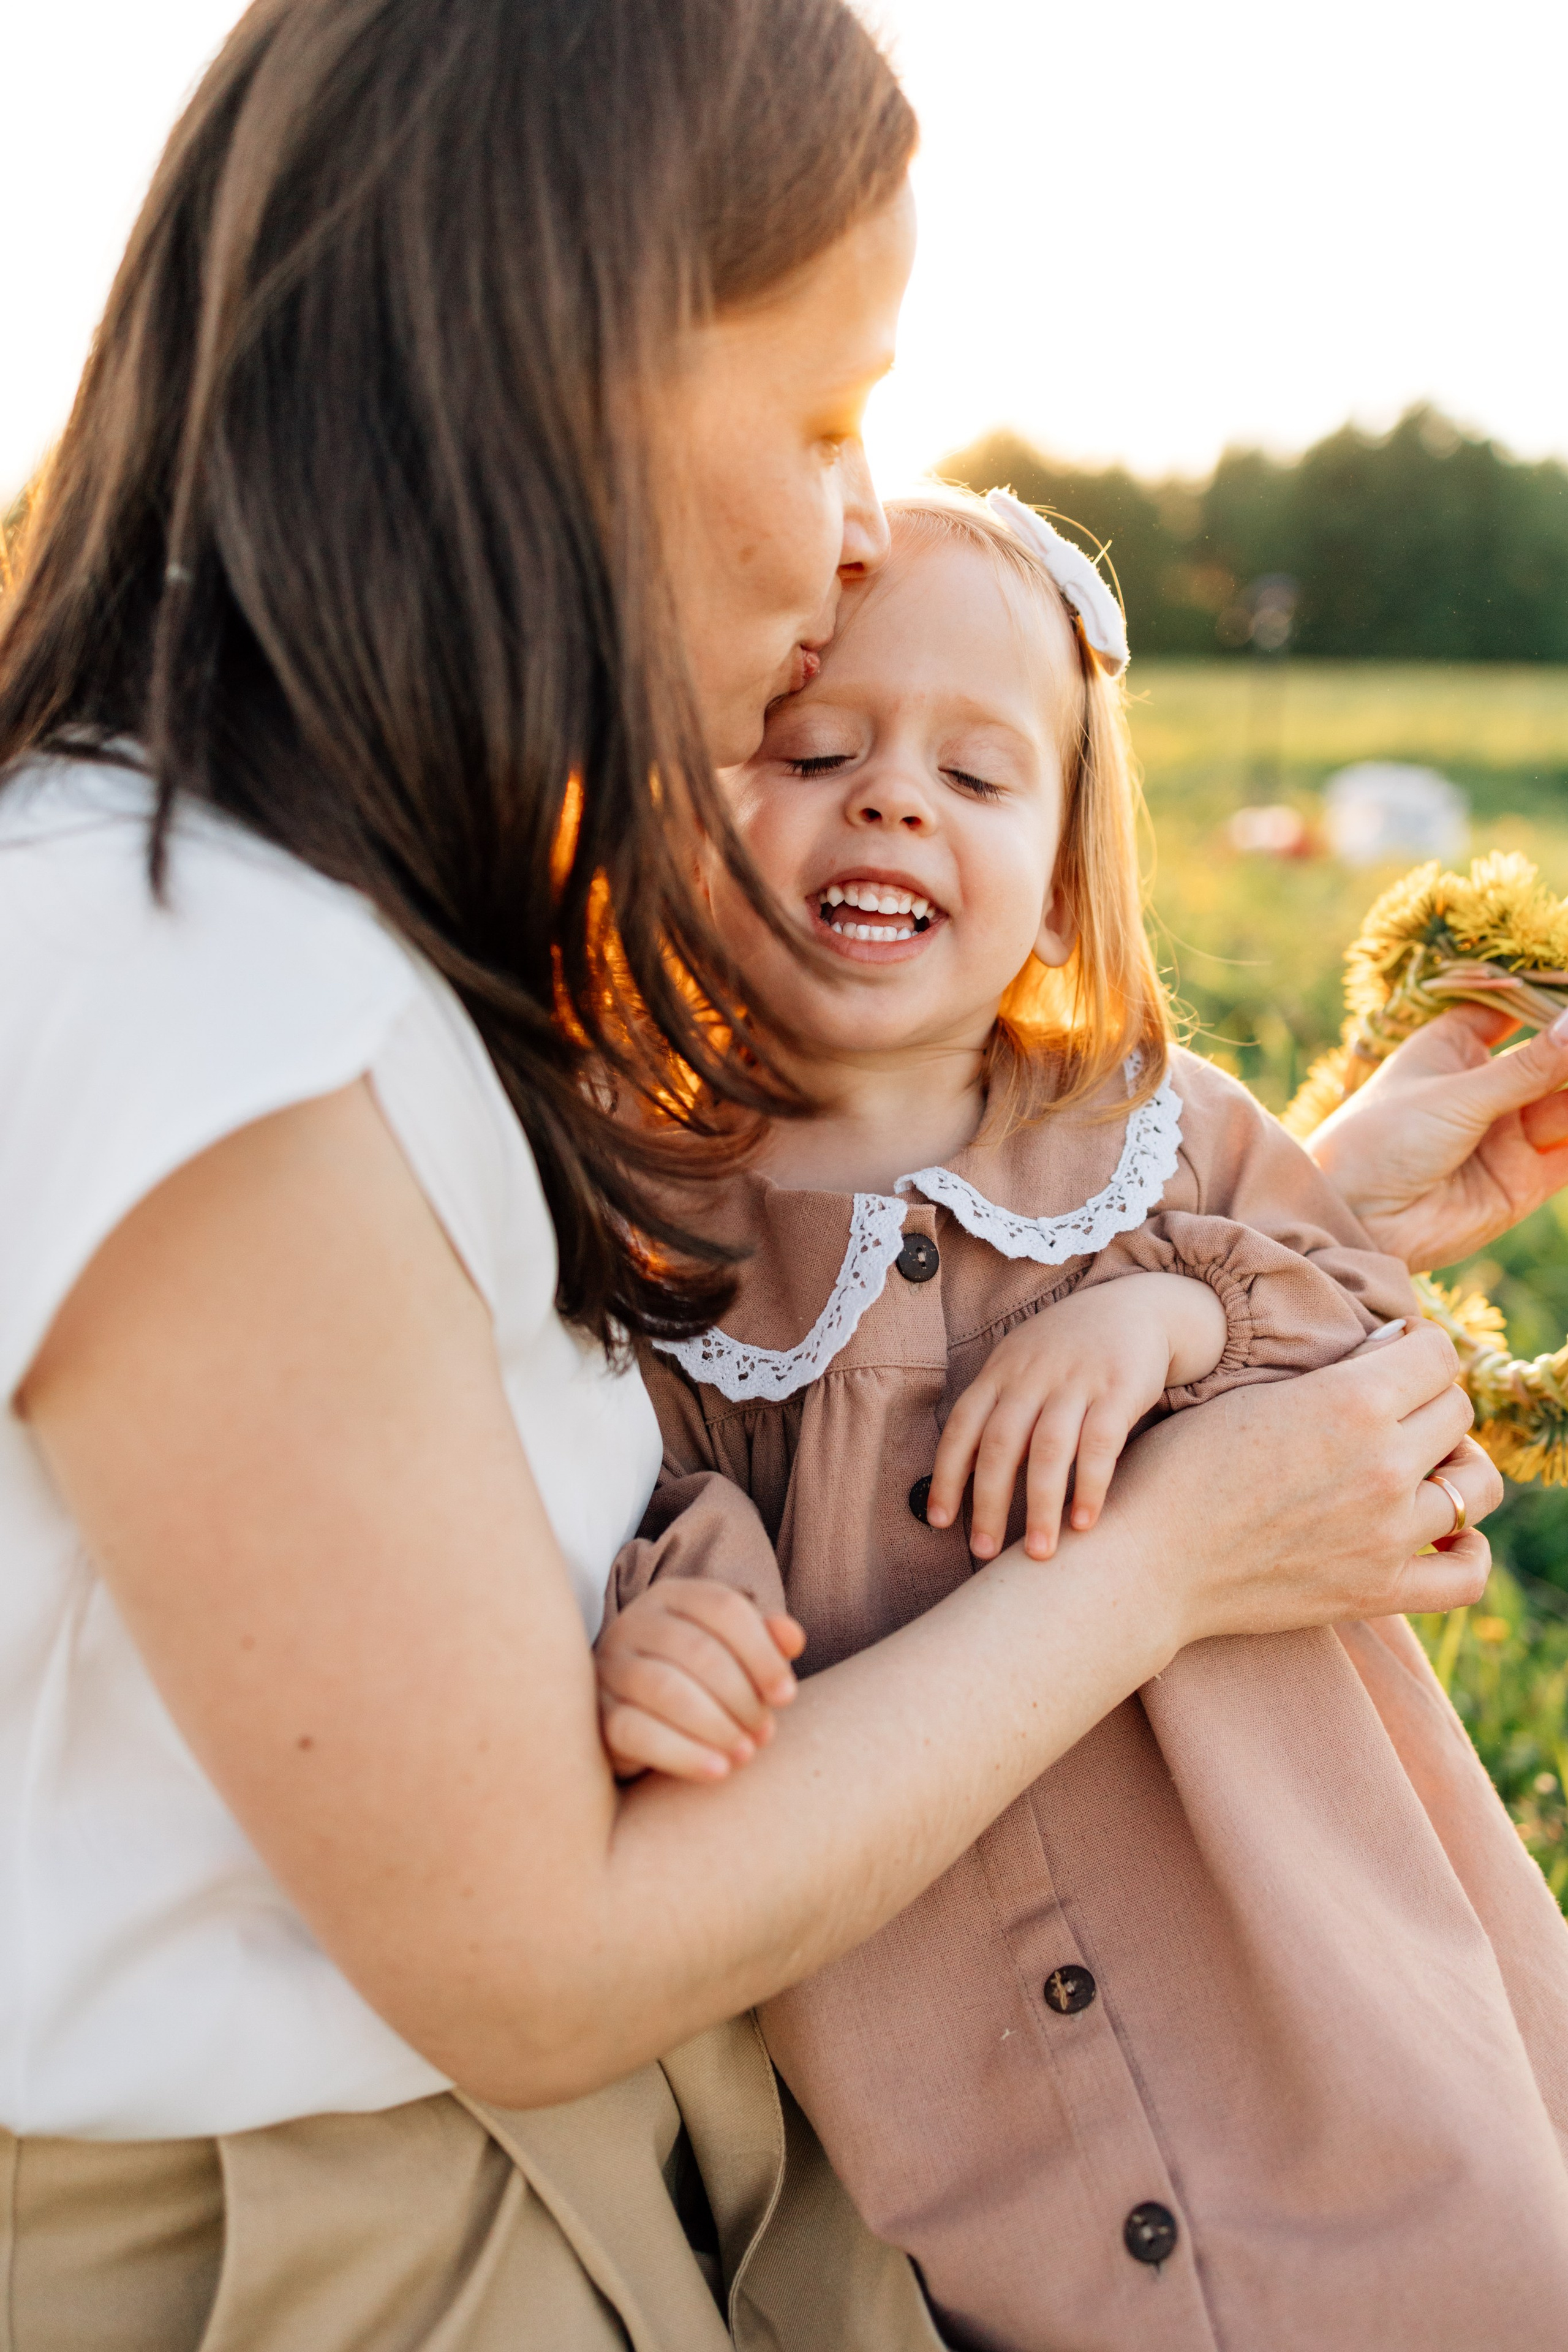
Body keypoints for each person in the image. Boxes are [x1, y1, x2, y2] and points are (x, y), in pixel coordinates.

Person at [0, 0, 1543, 2342]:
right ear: (546, 379)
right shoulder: (205, 988)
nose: (852, 533)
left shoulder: (315, 913)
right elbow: (533, 1963)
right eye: (826, 416)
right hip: (348, 2243)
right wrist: (1166, 1561)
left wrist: (1249, 1232)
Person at [598, 491, 1568, 2351]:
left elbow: (1378, 1362)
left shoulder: (1152, 1131)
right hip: (981, 2194)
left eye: (977, 775)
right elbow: (640, 1492)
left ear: (1059, 875)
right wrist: (675, 1625)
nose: (893, 800)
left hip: (1348, 2079)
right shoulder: (655, 1234)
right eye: (820, 748)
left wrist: (1172, 1308)